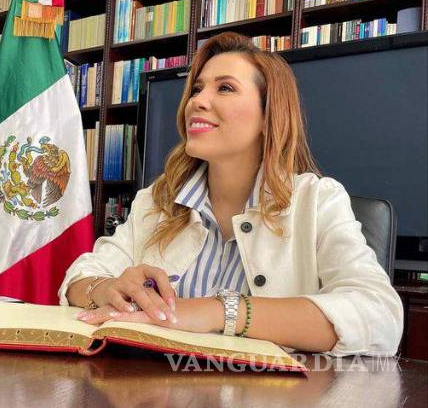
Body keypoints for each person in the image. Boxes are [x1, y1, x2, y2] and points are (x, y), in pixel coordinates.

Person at [57, 32, 403, 356]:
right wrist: (105, 289)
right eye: (197, 89)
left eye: (224, 88)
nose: (197, 101)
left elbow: (380, 316)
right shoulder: (157, 200)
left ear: (269, 116)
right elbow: (81, 275)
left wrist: (217, 312)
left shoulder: (317, 201)